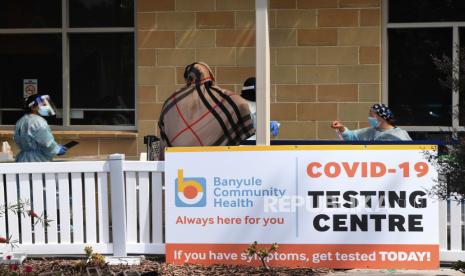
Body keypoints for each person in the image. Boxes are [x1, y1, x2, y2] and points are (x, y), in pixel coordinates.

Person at [158, 62, 255, 154]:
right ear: (210, 76)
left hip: (180, 166)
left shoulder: (171, 102)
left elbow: (165, 140)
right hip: (216, 164)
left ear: (187, 78)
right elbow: (241, 105)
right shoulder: (225, 98)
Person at [14, 94, 67, 162]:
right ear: (33, 107)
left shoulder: (21, 120)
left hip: (23, 158)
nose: (46, 107)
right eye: (43, 105)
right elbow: (46, 142)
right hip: (37, 160)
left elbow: (17, 139)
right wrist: (57, 150)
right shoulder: (38, 122)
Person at [331, 104, 411, 141]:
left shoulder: (400, 134)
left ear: (382, 117)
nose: (369, 118)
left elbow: (411, 153)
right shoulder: (369, 132)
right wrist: (341, 128)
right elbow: (352, 137)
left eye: (371, 115)